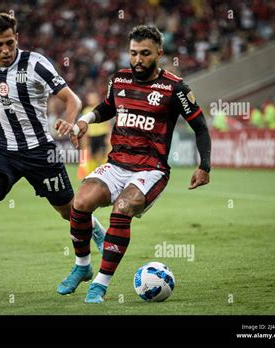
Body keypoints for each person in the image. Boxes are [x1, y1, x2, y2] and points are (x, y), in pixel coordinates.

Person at [0, 13, 105, 296]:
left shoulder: (36, 64)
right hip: (2, 150)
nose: (5, 51)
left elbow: (72, 99)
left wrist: (69, 121)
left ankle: (96, 238)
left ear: (16, 38)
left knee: (69, 211)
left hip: (40, 151)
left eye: (9, 43)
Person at [57, 25, 211, 303]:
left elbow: (200, 127)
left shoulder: (175, 88)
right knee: (79, 203)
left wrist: (205, 166)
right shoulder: (119, 79)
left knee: (122, 208)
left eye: (145, 53)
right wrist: (84, 122)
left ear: (159, 53)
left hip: (151, 169)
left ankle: (100, 285)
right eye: (133, 53)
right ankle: (82, 267)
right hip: (117, 164)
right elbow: (107, 107)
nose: (138, 59)